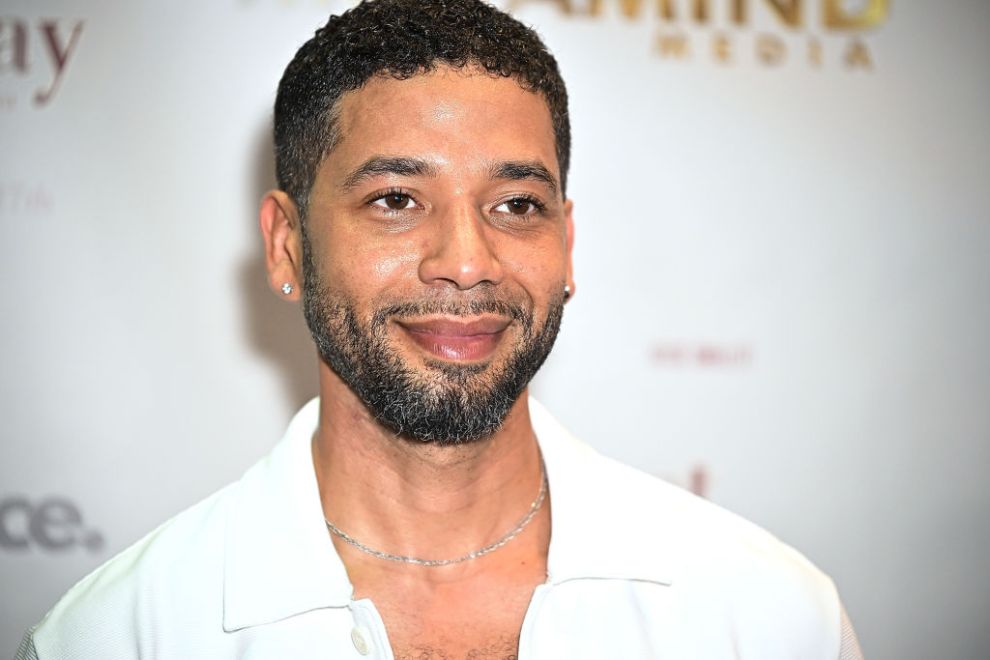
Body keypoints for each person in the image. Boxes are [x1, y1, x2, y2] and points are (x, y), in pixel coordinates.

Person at [16, 0, 864, 658]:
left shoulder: (770, 615)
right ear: (287, 245)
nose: (467, 261)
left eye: (516, 205)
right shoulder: (111, 637)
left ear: (565, 244)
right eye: (395, 200)